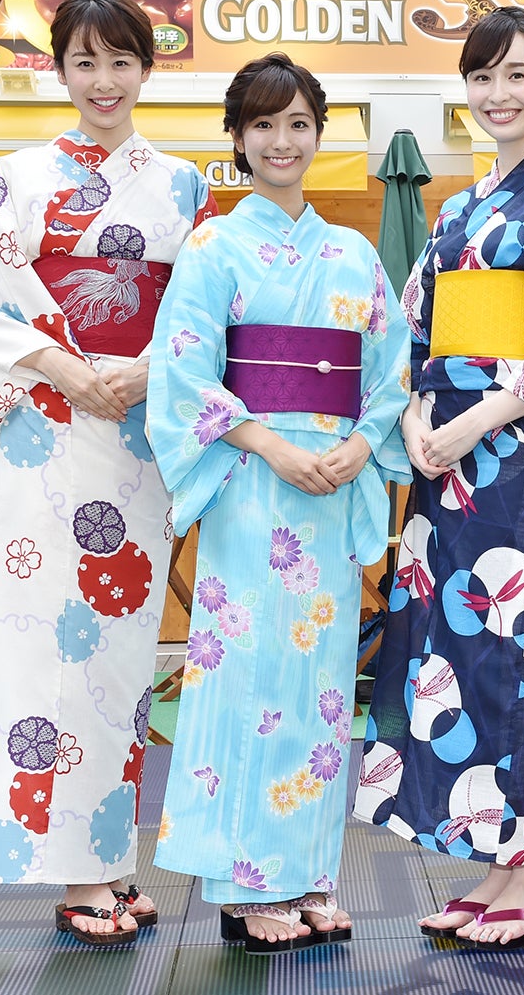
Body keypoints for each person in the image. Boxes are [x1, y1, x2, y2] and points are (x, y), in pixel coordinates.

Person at [0, 0, 217, 948]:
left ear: (147, 69)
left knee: (121, 655)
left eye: (121, 62)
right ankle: (72, 873)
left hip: (138, 430)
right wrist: (66, 367)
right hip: (47, 426)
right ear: (58, 69)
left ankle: (110, 858)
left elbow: (203, 306)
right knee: (42, 646)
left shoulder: (183, 185)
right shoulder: (20, 176)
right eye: (85, 62)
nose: (104, 81)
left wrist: (150, 370)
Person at [353, 7, 524, 950]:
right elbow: (417, 332)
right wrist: (417, 417)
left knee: (521, 653)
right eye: (482, 76)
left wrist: (474, 418)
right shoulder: (457, 211)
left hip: (518, 456)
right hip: (447, 463)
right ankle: (493, 863)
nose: (499, 94)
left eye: (518, 75)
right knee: (451, 654)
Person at [147, 53, 410, 954]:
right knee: (250, 676)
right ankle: (244, 881)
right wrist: (266, 442)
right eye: (263, 124)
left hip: (330, 480)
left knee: (321, 687)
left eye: (298, 123)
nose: (282, 141)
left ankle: (306, 872)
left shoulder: (354, 255)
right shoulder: (213, 248)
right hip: (252, 480)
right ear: (237, 137)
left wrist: (361, 445)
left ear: (319, 134)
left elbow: (391, 368)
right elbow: (184, 371)